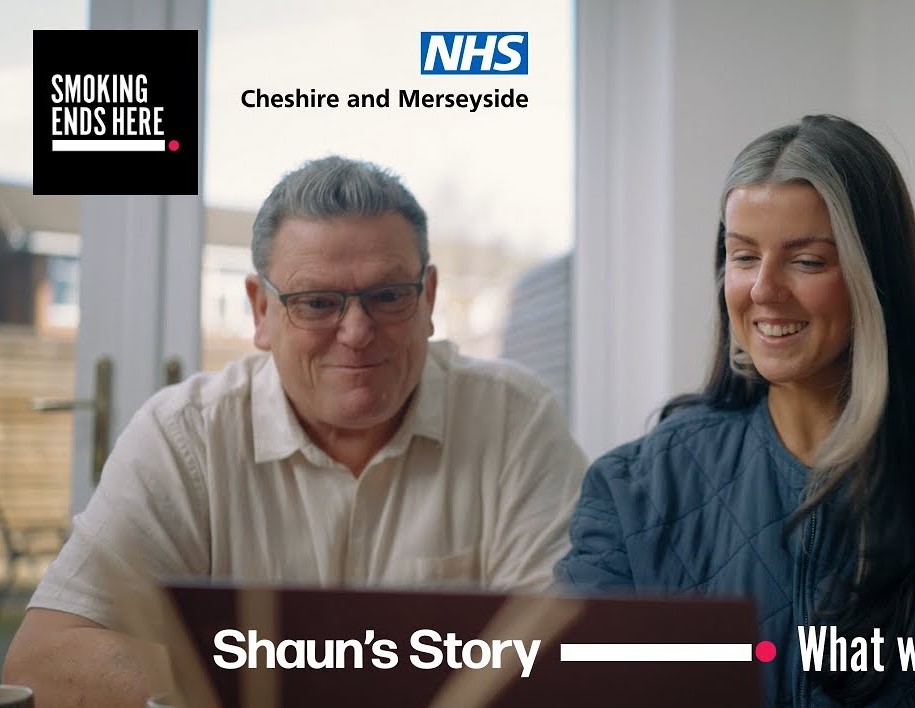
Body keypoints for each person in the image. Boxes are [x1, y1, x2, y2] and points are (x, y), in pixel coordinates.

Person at [555, 115, 915, 706]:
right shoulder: (633, 486)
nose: (763, 289)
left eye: (807, 261)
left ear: (876, 277)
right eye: (743, 257)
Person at [2, 156, 587, 707]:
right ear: (261, 312)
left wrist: (237, 675)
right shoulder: (185, 437)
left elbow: (570, 653)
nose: (356, 331)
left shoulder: (514, 418)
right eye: (317, 302)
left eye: (387, 296)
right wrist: (315, 675)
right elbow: (43, 661)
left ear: (428, 298)